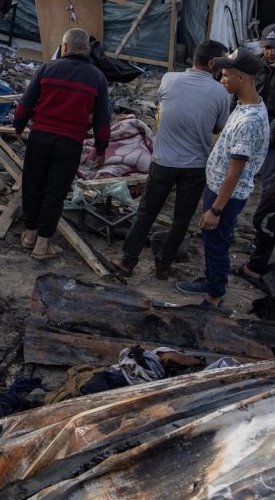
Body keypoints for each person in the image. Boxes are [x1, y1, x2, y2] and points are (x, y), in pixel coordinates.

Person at [110, 41, 230, 279]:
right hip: (195, 166)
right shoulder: (221, 93)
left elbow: (165, 106)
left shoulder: (168, 79)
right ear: (212, 64)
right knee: (181, 219)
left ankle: (127, 261)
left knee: (146, 212)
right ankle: (163, 265)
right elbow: (218, 126)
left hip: (164, 161)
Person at [175, 50, 269, 307]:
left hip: (225, 195)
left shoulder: (250, 121)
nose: (221, 79)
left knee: (217, 243)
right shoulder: (246, 105)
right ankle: (210, 280)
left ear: (241, 77)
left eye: (226, 75)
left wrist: (216, 209)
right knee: (212, 240)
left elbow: (235, 171)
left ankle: (213, 296)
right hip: (218, 188)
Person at [14, 28, 110, 260]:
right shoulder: (97, 77)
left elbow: (26, 103)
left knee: (33, 184)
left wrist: (18, 126)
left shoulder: (47, 68)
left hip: (40, 137)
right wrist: (101, 147)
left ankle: (29, 235)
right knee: (55, 191)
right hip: (70, 142)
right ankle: (43, 244)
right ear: (86, 49)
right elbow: (102, 119)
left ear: (64, 47)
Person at [254, 24, 275, 196]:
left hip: (272, 130)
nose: (271, 52)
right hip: (251, 124)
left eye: (274, 48)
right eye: (267, 48)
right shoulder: (252, 66)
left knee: (268, 179)